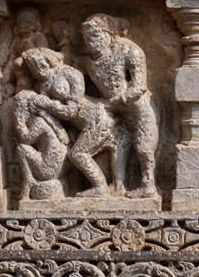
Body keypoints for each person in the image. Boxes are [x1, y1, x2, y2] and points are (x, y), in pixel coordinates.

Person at [22, 48, 124, 198]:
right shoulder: (43, 87)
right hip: (79, 127)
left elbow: (71, 111)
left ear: (47, 60)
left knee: (77, 154)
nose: (38, 69)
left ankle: (100, 187)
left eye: (39, 63)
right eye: (33, 67)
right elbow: (52, 116)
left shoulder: (70, 73)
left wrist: (48, 105)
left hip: (96, 119)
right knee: (71, 153)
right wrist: (45, 112)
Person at [81, 13, 159, 198]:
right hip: (112, 111)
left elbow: (139, 86)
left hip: (138, 108)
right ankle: (117, 186)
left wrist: (113, 103)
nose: (91, 42)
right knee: (117, 145)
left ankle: (148, 186)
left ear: (110, 33)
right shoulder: (90, 62)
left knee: (144, 148)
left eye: (96, 35)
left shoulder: (129, 50)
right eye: (87, 38)